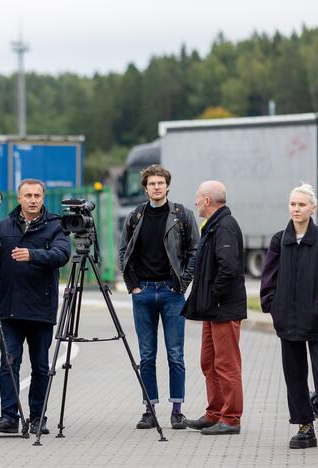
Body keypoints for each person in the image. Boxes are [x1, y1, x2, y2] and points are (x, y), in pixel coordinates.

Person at [0, 179, 71, 435]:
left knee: (40, 366)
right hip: (10, 309)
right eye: (27, 195)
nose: (32, 200)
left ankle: (38, 417)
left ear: (43, 198)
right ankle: (9, 417)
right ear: (18, 198)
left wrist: (33, 255)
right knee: (9, 363)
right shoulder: (3, 227)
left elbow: (62, 256)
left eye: (37, 195)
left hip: (41, 309)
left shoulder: (54, 226)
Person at [260, 183, 318, 450]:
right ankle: (304, 427)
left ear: (313, 208)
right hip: (288, 322)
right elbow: (269, 279)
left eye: (301, 205)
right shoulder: (279, 240)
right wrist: (275, 307)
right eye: (293, 204)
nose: (296, 209)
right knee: (294, 376)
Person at [118, 165, 198, 430]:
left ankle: (177, 411)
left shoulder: (182, 216)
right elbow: (123, 253)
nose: (156, 187)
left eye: (160, 183)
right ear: (145, 188)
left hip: (171, 292)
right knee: (147, 355)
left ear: (167, 186)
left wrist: (182, 285)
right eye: (152, 183)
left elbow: (194, 252)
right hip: (143, 292)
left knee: (175, 354)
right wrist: (133, 286)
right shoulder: (135, 216)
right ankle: (149, 409)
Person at [182, 180, 246, 435]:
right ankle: (214, 413)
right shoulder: (213, 225)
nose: (195, 201)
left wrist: (213, 297)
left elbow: (228, 269)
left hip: (223, 309)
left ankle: (231, 418)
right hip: (213, 309)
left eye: (198, 197)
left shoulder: (226, 227)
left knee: (227, 365)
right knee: (209, 362)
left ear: (207, 200)